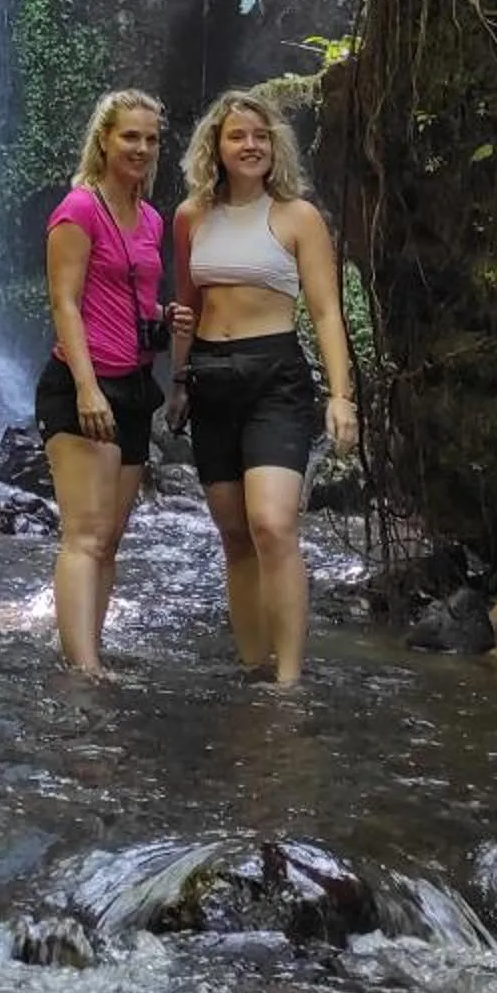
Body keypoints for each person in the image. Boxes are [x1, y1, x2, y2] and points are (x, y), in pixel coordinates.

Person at [167, 89, 357, 688]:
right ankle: (253, 666)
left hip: (275, 376)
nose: (249, 145)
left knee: (273, 524)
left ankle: (289, 680)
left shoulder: (298, 217)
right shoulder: (190, 217)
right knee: (233, 535)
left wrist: (340, 396)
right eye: (236, 136)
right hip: (210, 378)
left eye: (259, 135)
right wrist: (177, 384)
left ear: (274, 145)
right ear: (216, 148)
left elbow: (326, 313)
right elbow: (186, 308)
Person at [33, 88, 169, 676]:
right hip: (83, 384)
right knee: (84, 536)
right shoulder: (78, 209)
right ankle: (83, 670)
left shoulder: (152, 218)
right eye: (129, 136)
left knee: (109, 539)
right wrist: (87, 388)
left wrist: (163, 321)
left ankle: (90, 650)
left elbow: (128, 297)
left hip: (135, 388)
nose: (140, 147)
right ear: (104, 140)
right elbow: (64, 302)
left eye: (150, 138)